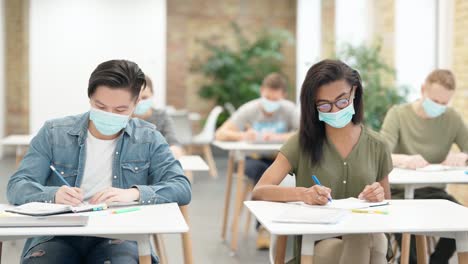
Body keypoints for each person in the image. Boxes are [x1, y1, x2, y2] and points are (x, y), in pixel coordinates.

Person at [7, 59, 192, 264]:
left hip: (120, 235)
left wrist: (133, 193)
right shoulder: (53, 133)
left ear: (136, 103)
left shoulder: (148, 138)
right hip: (57, 234)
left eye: (120, 110)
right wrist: (53, 194)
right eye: (100, 106)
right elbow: (17, 186)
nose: (109, 115)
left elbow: (181, 187)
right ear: (90, 97)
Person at [252, 59, 391, 264]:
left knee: (374, 239)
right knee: (370, 240)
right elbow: (260, 191)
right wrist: (303, 193)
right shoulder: (302, 143)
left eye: (342, 100)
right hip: (318, 244)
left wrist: (377, 195)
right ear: (313, 106)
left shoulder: (377, 145)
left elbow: (387, 205)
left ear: (354, 92)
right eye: (325, 105)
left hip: (367, 238)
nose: (335, 111)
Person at [380, 69, 468, 264]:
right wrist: (405, 159)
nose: (439, 107)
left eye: (444, 103)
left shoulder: (452, 118)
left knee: (463, 221)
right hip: (400, 195)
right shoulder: (398, 114)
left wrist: (463, 156)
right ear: (422, 90)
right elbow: (381, 153)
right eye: (435, 101)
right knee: (408, 233)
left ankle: (438, 261)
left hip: (433, 193)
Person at [215, 72, 299, 249]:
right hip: (252, 160)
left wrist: (278, 136)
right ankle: (263, 228)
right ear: (262, 91)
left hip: (279, 160)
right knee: (264, 176)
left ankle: (280, 226)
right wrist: (243, 135)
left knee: (278, 175)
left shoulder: (290, 110)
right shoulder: (249, 109)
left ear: (283, 96)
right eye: (267, 97)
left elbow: (304, 133)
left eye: (274, 99)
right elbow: (221, 133)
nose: (270, 102)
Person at [133, 75, 184, 158]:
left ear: (152, 94)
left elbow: (173, 141)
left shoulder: (161, 116)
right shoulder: (123, 119)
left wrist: (174, 150)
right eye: (135, 98)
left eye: (144, 97)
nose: (140, 102)